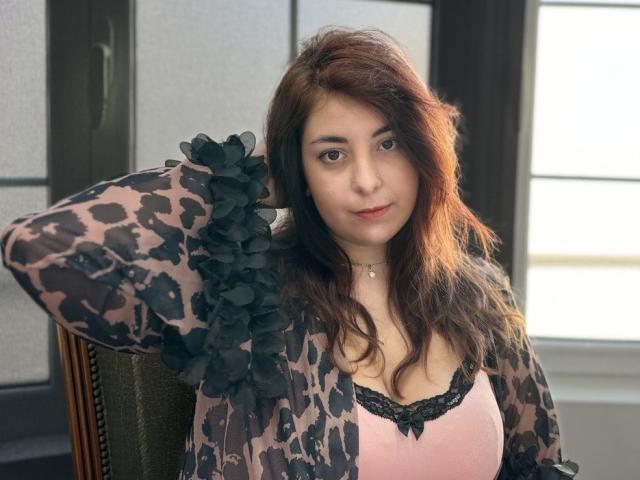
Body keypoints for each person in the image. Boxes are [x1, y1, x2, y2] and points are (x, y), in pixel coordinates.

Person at [0, 27, 579, 480]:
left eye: (389, 143)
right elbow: (44, 250)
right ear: (295, 170)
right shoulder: (250, 306)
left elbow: (539, 464)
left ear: (423, 149)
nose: (367, 180)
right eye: (332, 155)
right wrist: (248, 180)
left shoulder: (478, 295)